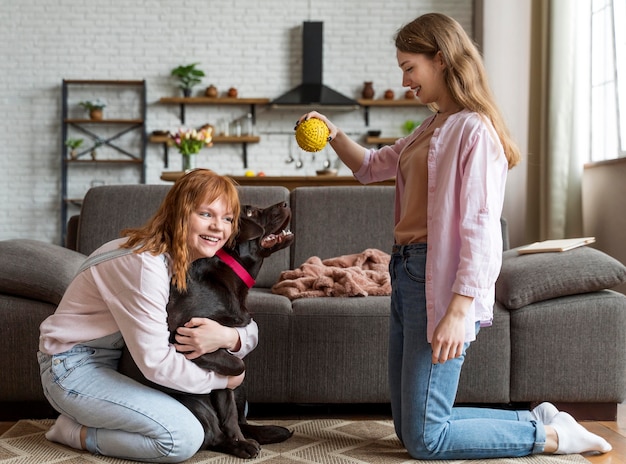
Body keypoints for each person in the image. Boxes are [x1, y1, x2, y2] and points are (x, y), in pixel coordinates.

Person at [297, 12, 612, 459]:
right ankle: (537, 419)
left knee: (428, 440)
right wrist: (331, 133)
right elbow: (370, 167)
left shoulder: (474, 129)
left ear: (440, 59)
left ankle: (553, 438)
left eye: (410, 67)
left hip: (439, 280)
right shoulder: (430, 126)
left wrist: (460, 307)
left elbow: (481, 226)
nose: (405, 79)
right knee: (412, 432)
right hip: (405, 271)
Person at [38, 169, 258, 463]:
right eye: (206, 214)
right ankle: (73, 432)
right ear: (180, 213)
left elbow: (246, 324)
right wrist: (221, 380)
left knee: (232, 414)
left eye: (228, 219)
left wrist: (231, 337)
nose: (219, 227)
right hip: (73, 369)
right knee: (183, 438)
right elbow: (156, 363)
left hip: (121, 363)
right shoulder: (144, 264)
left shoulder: (187, 258)